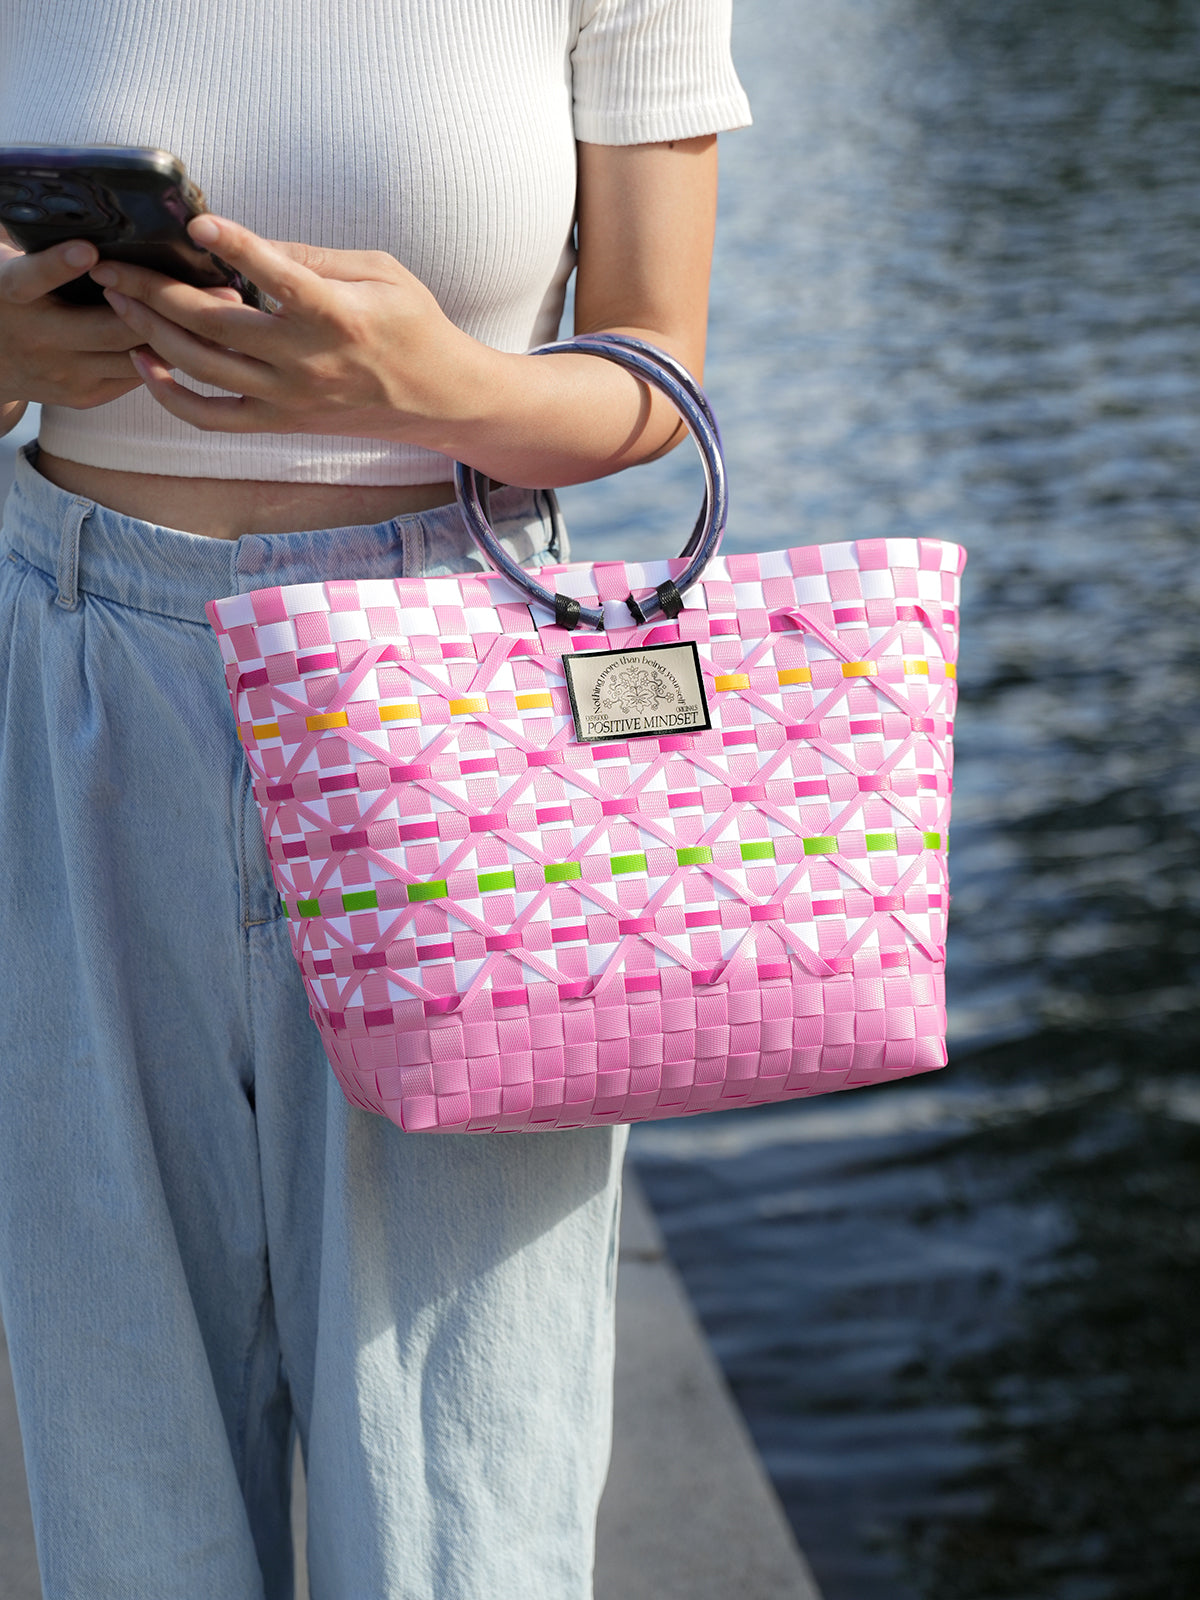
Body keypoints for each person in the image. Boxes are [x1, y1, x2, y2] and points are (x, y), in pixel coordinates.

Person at [0, 3, 750, 1595]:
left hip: (455, 718)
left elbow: (658, 368)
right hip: (68, 674)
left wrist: (443, 388)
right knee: (125, 1506)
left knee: (462, 1518)